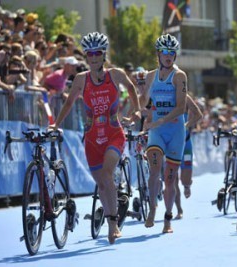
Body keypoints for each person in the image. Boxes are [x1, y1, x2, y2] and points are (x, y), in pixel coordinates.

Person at [49, 32, 141, 244]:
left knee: (107, 173)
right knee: (101, 184)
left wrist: (136, 110)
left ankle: (112, 223)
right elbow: (69, 103)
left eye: (97, 53)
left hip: (113, 134)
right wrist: (56, 123)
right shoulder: (81, 80)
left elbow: (131, 88)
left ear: (103, 55)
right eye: (89, 54)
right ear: (86, 56)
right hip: (91, 139)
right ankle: (111, 217)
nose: (93, 58)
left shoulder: (115, 74)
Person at [138, 33, 187, 233]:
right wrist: (144, 112)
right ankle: (152, 209)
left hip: (175, 131)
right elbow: (146, 105)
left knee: (170, 179)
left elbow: (181, 107)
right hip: (157, 132)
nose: (168, 56)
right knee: (154, 170)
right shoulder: (150, 76)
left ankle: (167, 219)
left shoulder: (179, 76)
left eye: (172, 53)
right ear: (158, 54)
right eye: (165, 52)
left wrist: (160, 120)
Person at [174, 93, 203, 219]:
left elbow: (198, 115)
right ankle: (179, 209)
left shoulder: (185, 97)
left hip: (185, 143)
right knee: (172, 179)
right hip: (171, 144)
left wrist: (187, 124)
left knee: (184, 179)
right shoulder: (163, 95)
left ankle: (187, 185)